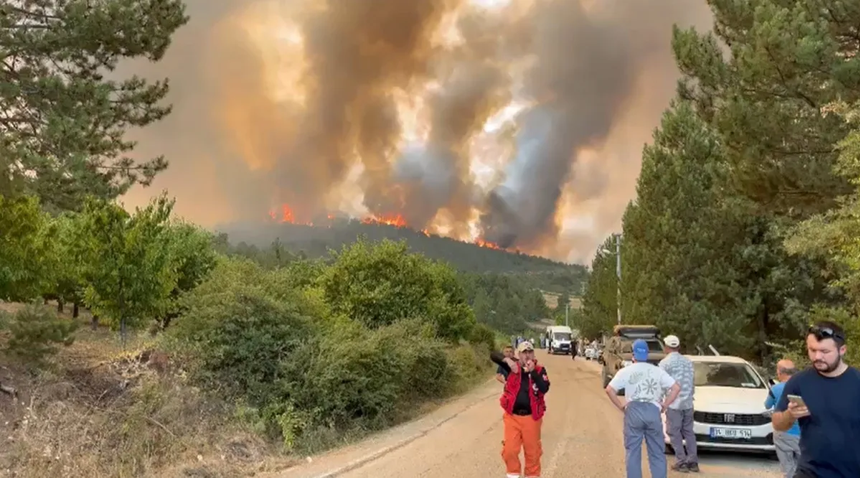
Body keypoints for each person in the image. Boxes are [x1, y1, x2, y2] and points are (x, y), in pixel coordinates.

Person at [773, 321, 860, 478]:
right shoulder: (799, 381)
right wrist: (790, 415)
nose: (817, 356)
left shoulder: (857, 382)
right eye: (812, 350)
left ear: (842, 350)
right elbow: (778, 424)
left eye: (825, 351)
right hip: (809, 472)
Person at [606, 339, 681, 478]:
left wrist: (621, 406)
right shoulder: (657, 371)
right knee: (657, 453)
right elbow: (676, 388)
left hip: (633, 411)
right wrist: (665, 405)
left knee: (633, 452)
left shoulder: (626, 371)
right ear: (647, 354)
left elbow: (609, 389)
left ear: (633, 354)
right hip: (653, 410)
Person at [490, 341, 550, 478]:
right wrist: (507, 360)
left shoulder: (540, 370)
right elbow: (493, 355)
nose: (527, 355)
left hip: (532, 418)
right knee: (510, 450)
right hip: (512, 417)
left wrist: (533, 372)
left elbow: (544, 388)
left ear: (533, 354)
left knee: (533, 453)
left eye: (530, 352)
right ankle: (513, 474)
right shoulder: (512, 367)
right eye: (524, 352)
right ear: (519, 354)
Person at [658, 334, 698, 473]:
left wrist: (661, 402)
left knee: (673, 432)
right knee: (688, 432)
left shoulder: (665, 363)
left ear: (666, 347)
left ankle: (681, 461)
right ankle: (693, 462)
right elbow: (692, 382)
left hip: (674, 403)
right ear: (678, 347)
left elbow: (662, 384)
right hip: (687, 403)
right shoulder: (688, 362)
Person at [765, 359, 800, 478]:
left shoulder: (775, 389)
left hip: (782, 433)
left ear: (780, 372)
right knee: (803, 468)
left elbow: (767, 405)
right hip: (802, 434)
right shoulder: (803, 387)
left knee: (788, 469)